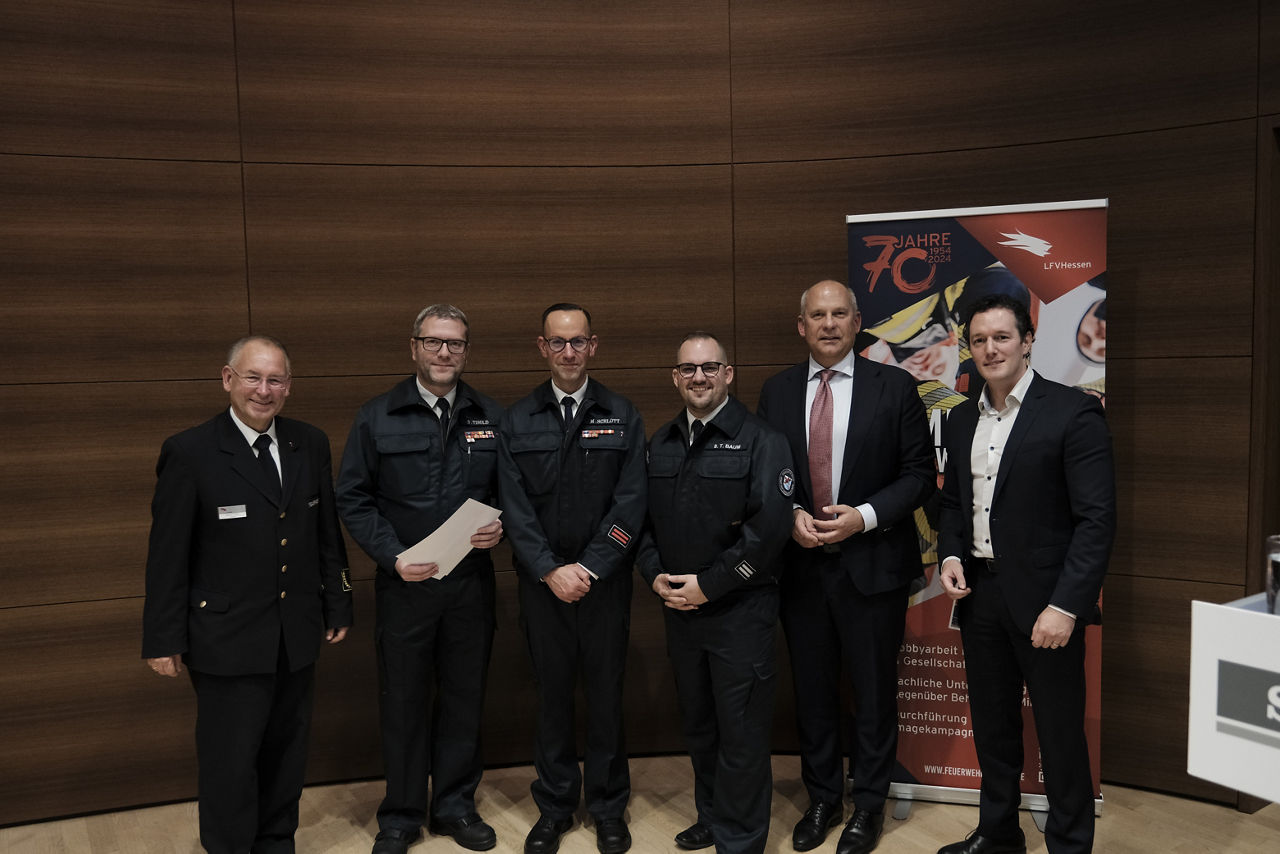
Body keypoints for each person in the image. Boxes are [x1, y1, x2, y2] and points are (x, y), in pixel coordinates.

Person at [142, 335, 353, 854]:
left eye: (276, 379)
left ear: (289, 386)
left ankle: (277, 841)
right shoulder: (190, 451)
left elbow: (326, 530)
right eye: (253, 377)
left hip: (296, 632)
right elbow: (168, 555)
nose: (264, 390)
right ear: (227, 379)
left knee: (287, 752)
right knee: (230, 761)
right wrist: (162, 637)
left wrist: (338, 601)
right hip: (225, 639)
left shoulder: (311, 442)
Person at [757, 281, 935, 854]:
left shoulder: (897, 387)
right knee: (812, 691)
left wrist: (863, 516)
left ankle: (871, 806)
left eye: (839, 314)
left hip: (874, 564)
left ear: (858, 323)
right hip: (802, 568)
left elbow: (917, 475)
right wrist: (786, 516)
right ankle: (822, 798)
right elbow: (764, 476)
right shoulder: (777, 391)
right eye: (818, 315)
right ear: (800, 325)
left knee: (875, 691)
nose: (829, 324)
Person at [936, 294, 1115, 854]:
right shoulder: (962, 415)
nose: (990, 349)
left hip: (1047, 606)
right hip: (982, 597)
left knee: (1061, 735)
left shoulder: (1072, 410)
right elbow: (952, 505)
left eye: (1002, 337)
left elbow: (1096, 520)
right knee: (993, 730)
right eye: (980, 340)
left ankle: (1068, 843)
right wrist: (949, 555)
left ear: (1028, 340)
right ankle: (998, 833)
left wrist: (1066, 607)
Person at [336, 305, 505, 854]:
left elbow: (512, 493)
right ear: (413, 347)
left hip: (470, 586)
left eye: (455, 344)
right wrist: (391, 555)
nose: (444, 353)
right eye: (433, 342)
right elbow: (353, 498)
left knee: (464, 696)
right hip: (405, 586)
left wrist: (499, 525)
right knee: (403, 700)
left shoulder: (490, 416)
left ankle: (455, 806)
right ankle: (402, 816)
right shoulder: (377, 416)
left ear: (466, 351)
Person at [636, 332, 794, 854]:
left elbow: (768, 532)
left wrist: (710, 584)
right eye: (687, 369)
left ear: (729, 374)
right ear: (675, 378)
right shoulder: (659, 443)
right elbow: (642, 526)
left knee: (742, 734)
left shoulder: (762, 440)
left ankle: (742, 840)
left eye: (709, 368)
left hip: (739, 612)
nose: (698, 377)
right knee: (700, 726)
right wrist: (654, 573)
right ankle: (713, 816)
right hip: (680, 610)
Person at [497, 303, 647, 854]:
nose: (568, 352)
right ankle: (556, 806)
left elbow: (630, 505)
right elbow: (513, 509)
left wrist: (587, 568)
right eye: (557, 342)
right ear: (542, 347)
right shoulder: (517, 420)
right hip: (542, 588)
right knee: (552, 698)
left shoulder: (623, 414)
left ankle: (608, 806)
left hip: (604, 585)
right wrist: (548, 570)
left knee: (607, 696)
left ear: (593, 345)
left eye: (577, 342)